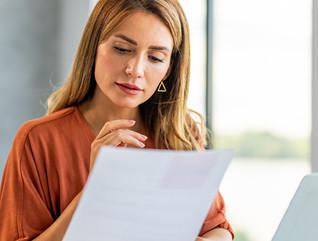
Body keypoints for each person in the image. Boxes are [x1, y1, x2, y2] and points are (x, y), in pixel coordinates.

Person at [0, 0, 234, 240]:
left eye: (155, 58)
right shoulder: (38, 141)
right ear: (94, 47)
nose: (135, 69)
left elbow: (218, 228)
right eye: (122, 49)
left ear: (169, 70)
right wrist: (95, 190)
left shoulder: (179, 132)